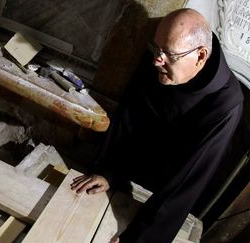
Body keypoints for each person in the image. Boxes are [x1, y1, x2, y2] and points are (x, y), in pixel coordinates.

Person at [71, 8, 244, 243]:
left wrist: (140, 239)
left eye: (169, 55)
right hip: (131, 163)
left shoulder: (227, 104)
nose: (156, 60)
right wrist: (108, 171)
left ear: (201, 56)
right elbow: (129, 114)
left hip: (166, 186)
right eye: (156, 49)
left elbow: (189, 179)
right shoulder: (161, 54)